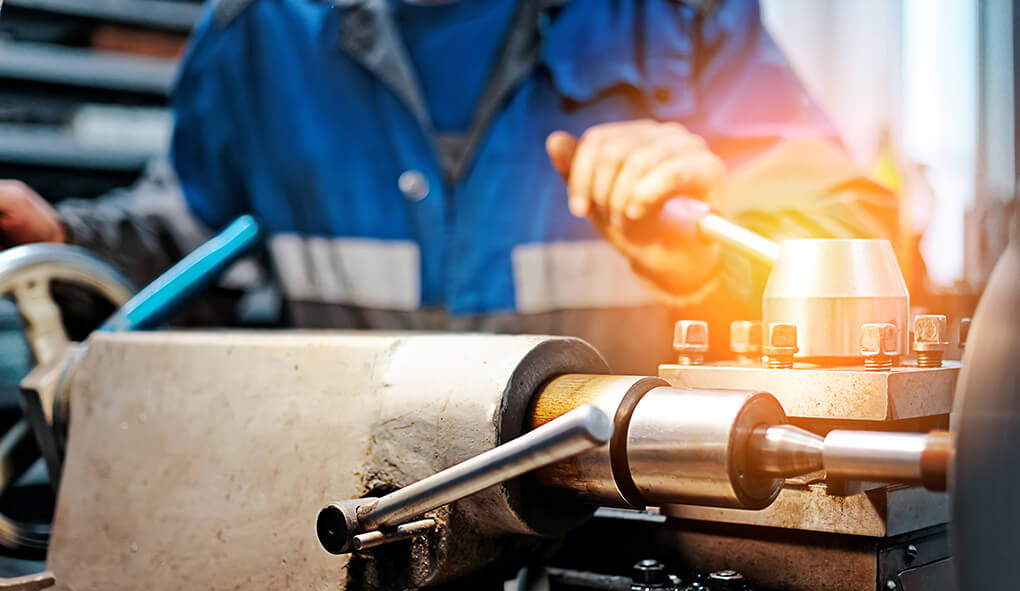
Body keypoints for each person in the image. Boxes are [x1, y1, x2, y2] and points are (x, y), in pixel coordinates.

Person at [0, 0, 897, 373]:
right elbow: (184, 242)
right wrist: (61, 245)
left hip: (638, 560)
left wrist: (710, 243)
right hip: (360, 551)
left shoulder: (676, 20)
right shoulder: (261, 34)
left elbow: (854, 249)